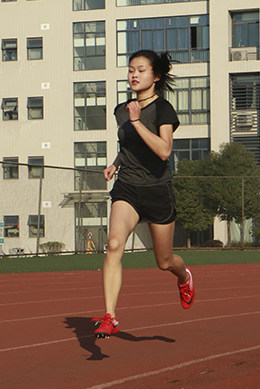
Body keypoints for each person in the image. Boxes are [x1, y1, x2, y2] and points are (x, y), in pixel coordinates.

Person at [92, 50, 195, 339]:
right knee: (114, 245)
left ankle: (184, 276)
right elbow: (129, 147)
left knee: (164, 261)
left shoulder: (163, 109)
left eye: (141, 70)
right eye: (130, 70)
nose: (134, 75)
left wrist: (137, 122)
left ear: (156, 76)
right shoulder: (121, 110)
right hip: (127, 187)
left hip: (157, 190)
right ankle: (110, 316)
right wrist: (115, 164)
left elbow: (164, 150)